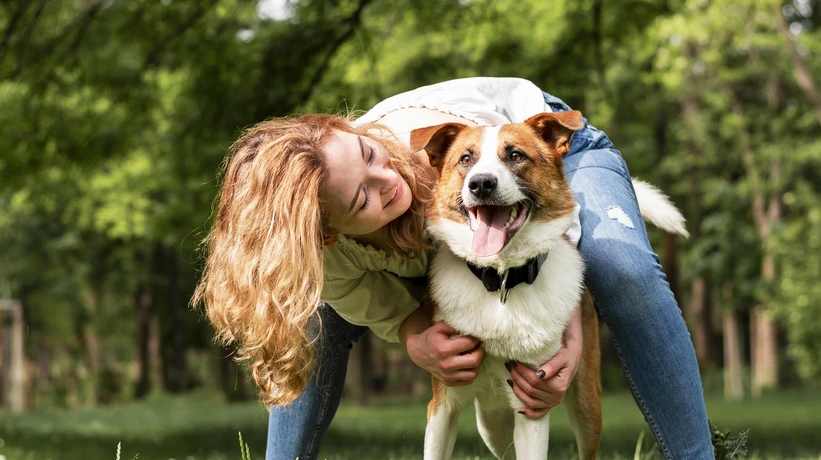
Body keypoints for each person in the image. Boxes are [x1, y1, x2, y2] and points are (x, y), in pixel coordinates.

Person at [192, 77, 714, 459]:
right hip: (481, 218)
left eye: (369, 153)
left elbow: (550, 228)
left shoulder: (433, 152)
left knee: (621, 266)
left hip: (541, 143)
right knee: (314, 316)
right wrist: (415, 337)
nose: (388, 180)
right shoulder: (328, 257)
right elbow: (390, 309)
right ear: (327, 234)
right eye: (362, 198)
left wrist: (570, 341)